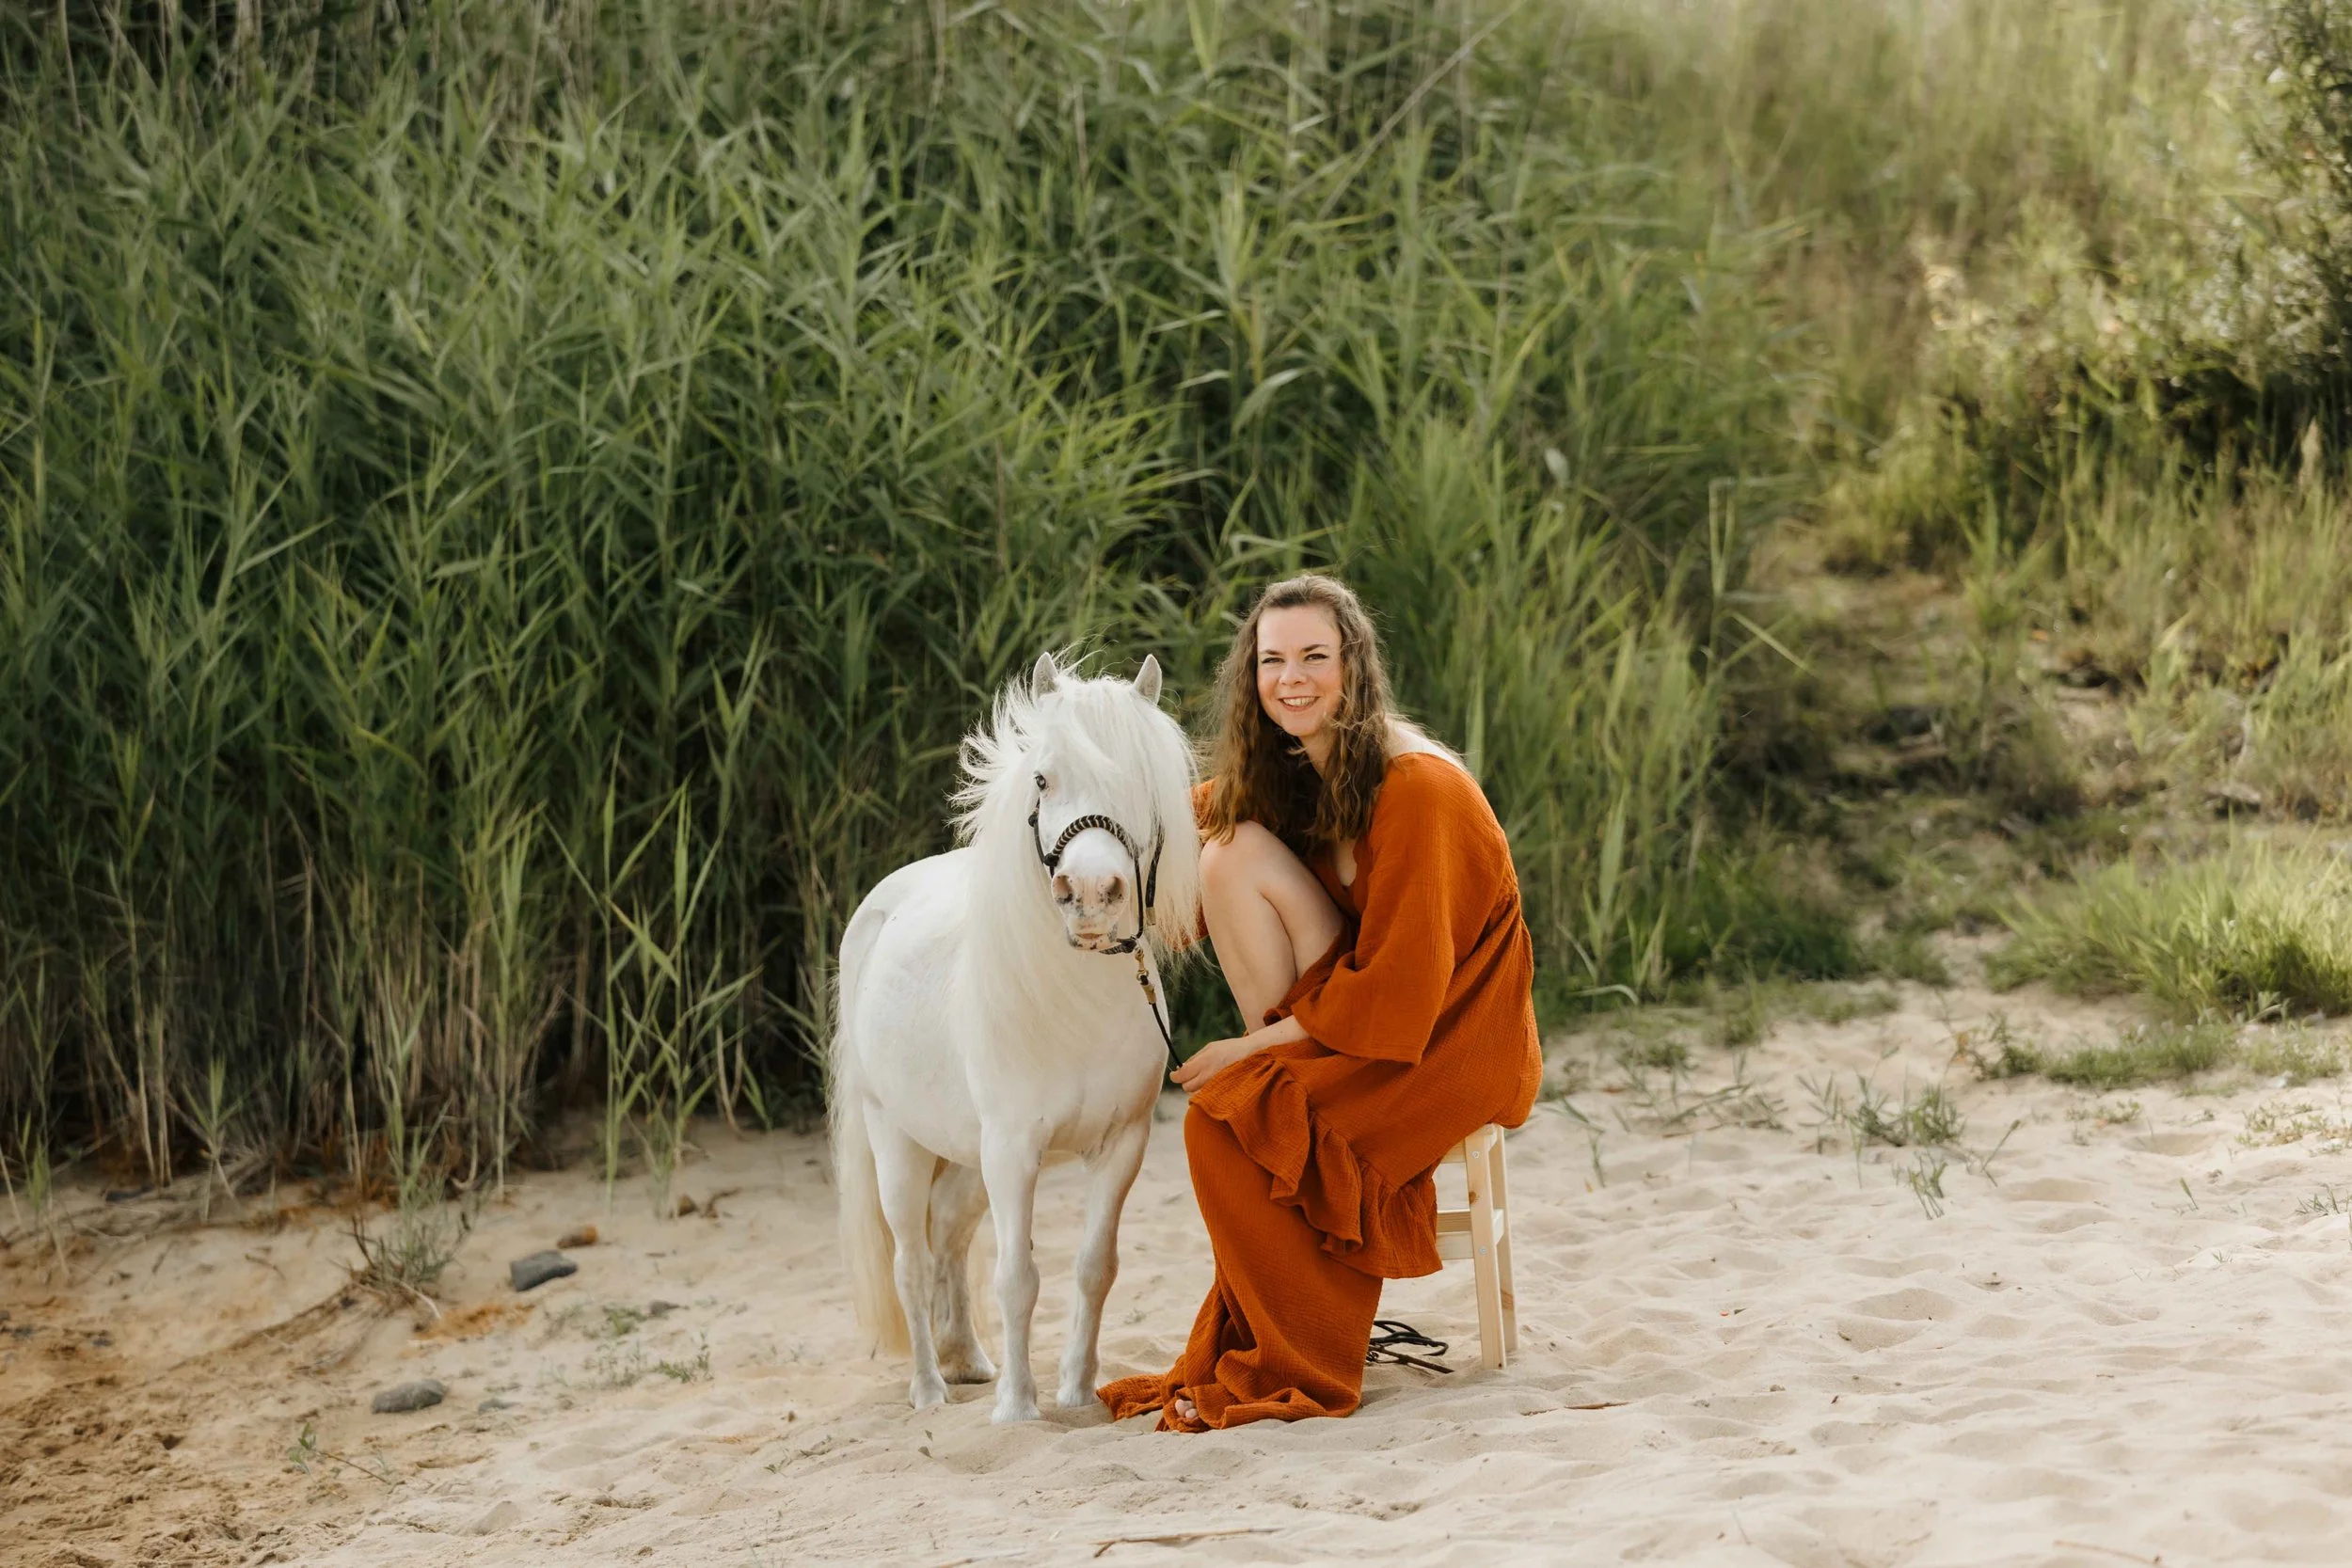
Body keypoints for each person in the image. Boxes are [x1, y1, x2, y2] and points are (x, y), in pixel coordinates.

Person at [1097, 573, 1543, 1432]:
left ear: (1355, 668)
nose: (1291, 678)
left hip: (1449, 1038)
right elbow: (1181, 821)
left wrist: (1251, 1050)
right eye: (1272, 660)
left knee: (1224, 1121)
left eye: (1313, 657)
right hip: (1369, 1016)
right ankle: (1289, 1106)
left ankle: (1302, 1358)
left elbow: (1406, 991)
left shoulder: (1416, 789)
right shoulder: (1299, 768)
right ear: (1251, 676)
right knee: (1226, 847)